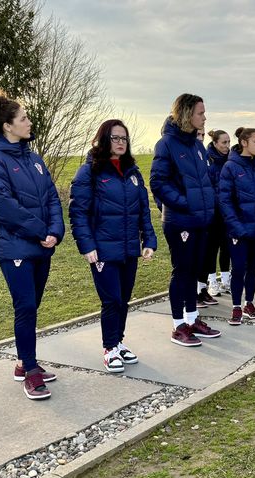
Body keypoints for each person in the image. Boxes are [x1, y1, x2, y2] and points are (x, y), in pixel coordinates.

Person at [0, 89, 65, 400]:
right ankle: (32, 371)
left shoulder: (33, 158)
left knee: (32, 307)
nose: (29, 121)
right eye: (23, 118)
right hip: (14, 248)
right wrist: (40, 231)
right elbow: (3, 206)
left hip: (41, 244)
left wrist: (55, 230)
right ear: (7, 126)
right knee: (25, 306)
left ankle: (24, 362)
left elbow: (51, 195)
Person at [70, 120, 157, 373]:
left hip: (129, 249)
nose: (120, 143)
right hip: (103, 250)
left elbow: (143, 211)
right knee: (112, 300)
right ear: (103, 139)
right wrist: (87, 246)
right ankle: (109, 348)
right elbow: (78, 213)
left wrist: (148, 241)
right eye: (115, 138)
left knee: (125, 299)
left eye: (124, 139)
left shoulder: (133, 172)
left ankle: (118, 342)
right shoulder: (89, 172)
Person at [150, 93, 221, 346]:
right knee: (182, 272)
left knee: (194, 271)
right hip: (180, 221)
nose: (205, 117)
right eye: (201, 113)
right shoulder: (166, 144)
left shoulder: (196, 145)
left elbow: (205, 182)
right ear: (186, 114)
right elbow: (158, 183)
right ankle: (178, 325)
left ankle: (192, 319)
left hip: (201, 220)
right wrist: (186, 203)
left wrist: (207, 205)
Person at [219, 127, 255, 324]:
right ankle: (236, 306)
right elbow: (225, 201)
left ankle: (249, 303)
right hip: (239, 232)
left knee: (253, 268)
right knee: (238, 268)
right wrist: (237, 227)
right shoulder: (230, 167)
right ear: (244, 142)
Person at [199, 129, 231, 300]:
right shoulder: (206, 159)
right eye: (224, 142)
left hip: (227, 210)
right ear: (215, 143)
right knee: (212, 248)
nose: (227, 146)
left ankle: (226, 279)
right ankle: (212, 281)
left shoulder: (231, 159)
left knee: (227, 246)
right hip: (212, 211)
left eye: (228, 142)